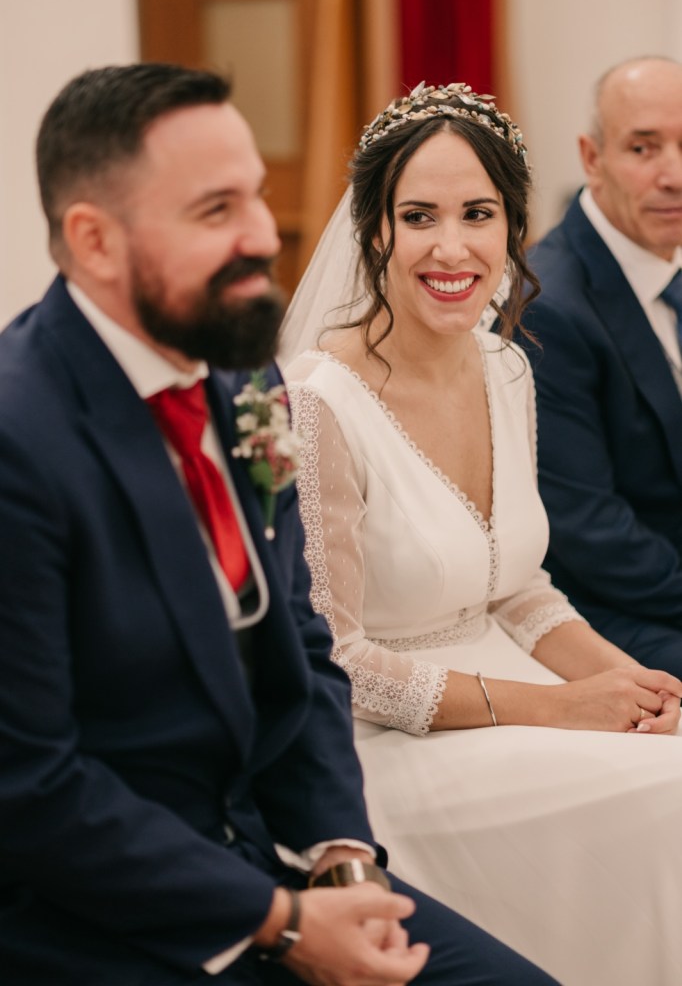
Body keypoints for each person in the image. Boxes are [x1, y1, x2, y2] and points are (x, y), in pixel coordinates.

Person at [0, 64, 558, 986]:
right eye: (216, 209)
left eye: (256, 195)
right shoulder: (20, 438)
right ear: (95, 240)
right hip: (99, 917)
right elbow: (29, 788)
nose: (264, 234)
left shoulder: (245, 381)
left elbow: (302, 646)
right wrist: (283, 923)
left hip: (272, 853)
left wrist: (343, 861)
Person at [280, 80, 682, 986]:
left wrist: (627, 682)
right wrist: (562, 707)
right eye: (418, 216)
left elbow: (520, 590)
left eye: (478, 214)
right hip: (396, 747)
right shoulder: (318, 402)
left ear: (511, 226)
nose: (452, 247)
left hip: (521, 691)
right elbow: (339, 662)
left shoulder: (506, 366)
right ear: (374, 230)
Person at [514, 56, 682, 677]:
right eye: (643, 148)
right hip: (609, 610)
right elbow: (589, 531)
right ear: (593, 158)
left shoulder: (663, 258)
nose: (674, 175)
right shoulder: (550, 307)